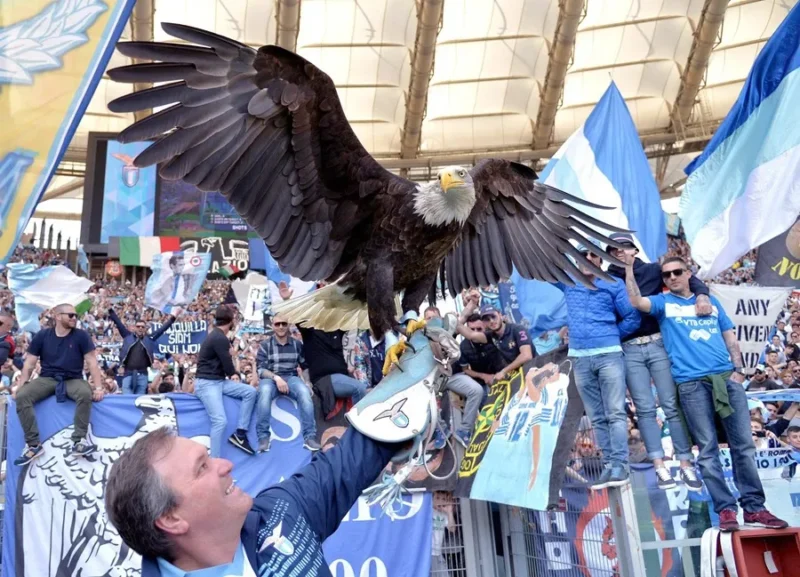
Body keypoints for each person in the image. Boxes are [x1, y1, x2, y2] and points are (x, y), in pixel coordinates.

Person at [623, 255, 788, 531]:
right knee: (708, 451)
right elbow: (636, 301)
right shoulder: (664, 304)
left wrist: (739, 370)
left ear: (689, 274)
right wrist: (629, 267)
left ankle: (755, 508)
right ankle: (725, 510)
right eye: (666, 275)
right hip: (690, 384)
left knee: (744, 447)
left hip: (726, 380)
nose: (672, 277)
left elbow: (730, 336)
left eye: (677, 272)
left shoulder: (710, 303)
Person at [105, 426, 400, 577]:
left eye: (209, 456)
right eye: (202, 467)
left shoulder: (279, 511)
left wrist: (410, 381)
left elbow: (347, 461)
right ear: (171, 519)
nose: (225, 465)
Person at [606, 233, 704, 492]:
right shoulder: (606, 278)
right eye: (612, 249)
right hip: (629, 348)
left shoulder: (652, 271)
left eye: (623, 247)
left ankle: (685, 463)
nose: (618, 252)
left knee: (671, 406)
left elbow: (691, 279)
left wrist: (702, 296)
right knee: (644, 409)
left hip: (658, 341)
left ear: (634, 250)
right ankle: (659, 465)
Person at [549, 244, 640, 490]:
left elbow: (632, 317)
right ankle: (610, 465)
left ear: (600, 260)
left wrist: (611, 336)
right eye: (583, 255)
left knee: (615, 413)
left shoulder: (613, 284)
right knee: (597, 417)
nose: (588, 259)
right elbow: (545, 266)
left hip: (609, 355)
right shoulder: (568, 282)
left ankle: (620, 464)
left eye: (593, 255)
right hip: (580, 358)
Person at [13, 303, 106, 464]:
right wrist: (21, 385)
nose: (74, 318)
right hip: (47, 378)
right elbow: (29, 363)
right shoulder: (43, 335)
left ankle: (79, 442)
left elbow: (92, 362)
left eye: (75, 315)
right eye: (70, 315)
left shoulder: (81, 336)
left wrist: (98, 388)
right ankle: (33, 445)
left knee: (85, 393)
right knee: (22, 396)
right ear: (57, 316)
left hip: (73, 378)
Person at [278, 282, 367, 402]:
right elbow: (295, 315)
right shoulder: (309, 328)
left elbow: (353, 311)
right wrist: (287, 299)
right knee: (359, 388)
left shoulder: (339, 328)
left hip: (343, 376)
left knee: (366, 388)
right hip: (325, 380)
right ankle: (356, 420)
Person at [194, 305, 257, 457]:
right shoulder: (219, 338)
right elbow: (227, 365)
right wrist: (234, 373)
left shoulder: (218, 336)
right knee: (220, 422)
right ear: (231, 321)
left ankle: (240, 434)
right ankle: (214, 462)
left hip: (218, 382)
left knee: (250, 392)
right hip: (207, 383)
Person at [254, 313, 321, 453]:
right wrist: (276, 378)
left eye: (284, 323)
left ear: (289, 325)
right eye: (277, 324)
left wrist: (307, 382)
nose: (281, 327)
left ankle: (310, 437)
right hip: (271, 379)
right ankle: (263, 438)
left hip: (291, 377)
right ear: (273, 326)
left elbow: (304, 366)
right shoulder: (265, 345)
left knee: (304, 392)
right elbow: (261, 370)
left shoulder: (297, 344)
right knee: (264, 393)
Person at [108, 306, 179, 395]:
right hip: (128, 372)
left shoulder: (150, 338)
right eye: (138, 326)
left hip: (143, 373)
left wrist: (173, 317)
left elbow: (162, 329)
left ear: (145, 328)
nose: (140, 328)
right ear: (134, 327)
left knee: (140, 398)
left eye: (142, 327)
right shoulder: (127, 336)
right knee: (127, 397)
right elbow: (118, 323)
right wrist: (110, 310)